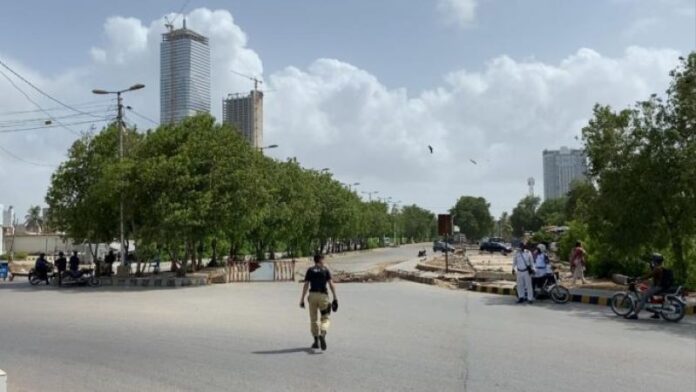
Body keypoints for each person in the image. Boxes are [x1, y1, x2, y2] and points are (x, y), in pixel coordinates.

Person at [299, 254, 338, 351]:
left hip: (312, 296)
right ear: (320, 260)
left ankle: (316, 341)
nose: (324, 261)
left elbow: (306, 285)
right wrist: (335, 298)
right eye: (323, 259)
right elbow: (331, 284)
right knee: (325, 318)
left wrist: (302, 299)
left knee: (313, 319)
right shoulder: (325, 270)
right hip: (323, 296)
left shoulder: (310, 270)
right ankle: (323, 333)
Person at [626, 253, 672, 320]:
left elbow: (648, 275)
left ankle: (635, 314)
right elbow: (653, 277)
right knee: (645, 288)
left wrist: (639, 278)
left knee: (644, 295)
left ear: (655, 260)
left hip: (658, 287)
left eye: (652, 260)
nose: (651, 261)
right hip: (659, 286)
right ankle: (656, 313)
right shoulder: (660, 267)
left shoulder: (657, 269)